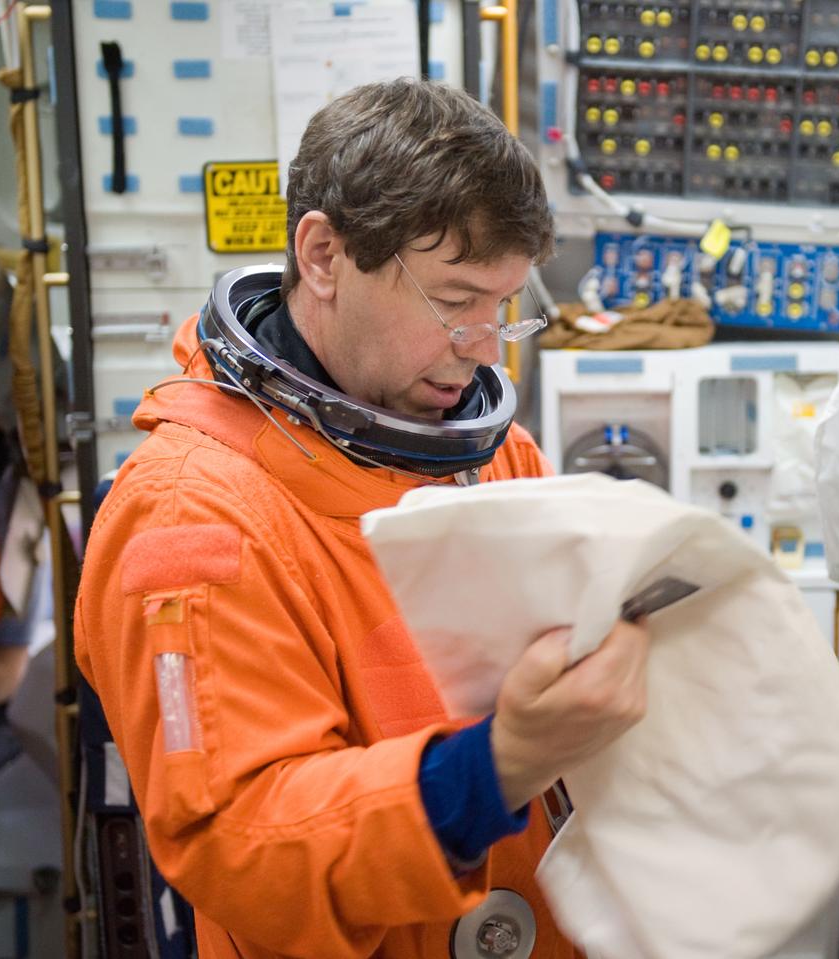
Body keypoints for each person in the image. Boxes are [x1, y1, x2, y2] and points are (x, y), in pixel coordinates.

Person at [75, 78, 651, 959]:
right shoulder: (189, 517)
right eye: (455, 303)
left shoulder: (488, 454)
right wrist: (497, 766)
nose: (482, 346)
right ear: (322, 255)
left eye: (502, 308)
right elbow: (241, 846)